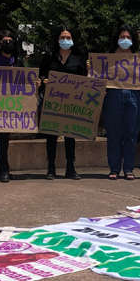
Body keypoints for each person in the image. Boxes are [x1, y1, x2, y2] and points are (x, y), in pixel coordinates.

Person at [39, 26, 86, 180]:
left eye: (68, 37)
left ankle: (70, 168)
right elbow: (41, 76)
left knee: (70, 137)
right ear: (57, 40)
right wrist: (43, 81)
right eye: (62, 37)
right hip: (53, 102)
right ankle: (51, 168)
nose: (65, 40)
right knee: (51, 136)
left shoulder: (79, 59)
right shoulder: (49, 57)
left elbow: (85, 80)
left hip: (72, 103)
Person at [102, 25, 140, 180]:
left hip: (134, 96)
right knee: (113, 133)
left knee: (131, 133)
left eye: (128, 37)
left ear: (132, 40)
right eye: (122, 37)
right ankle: (114, 169)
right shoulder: (108, 58)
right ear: (117, 39)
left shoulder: (139, 58)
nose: (125, 40)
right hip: (114, 95)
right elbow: (98, 78)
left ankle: (128, 169)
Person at [0, 29, 21, 183]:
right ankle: (3, 169)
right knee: (2, 136)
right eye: (4, 41)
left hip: (14, 102)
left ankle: (2, 167)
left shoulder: (18, 61)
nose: (8, 44)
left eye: (10, 41)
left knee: (6, 137)